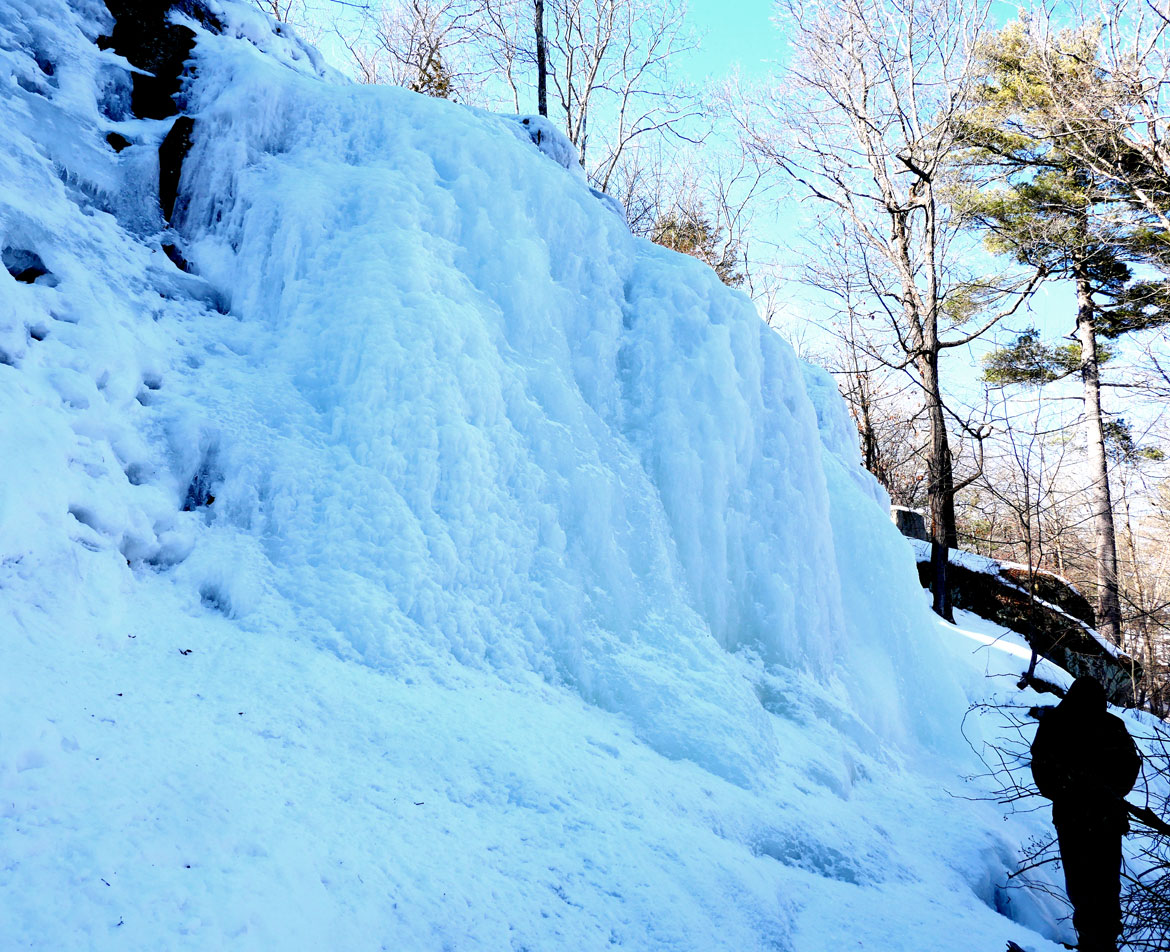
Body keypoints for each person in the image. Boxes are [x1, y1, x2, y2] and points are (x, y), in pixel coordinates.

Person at [1030, 676, 1141, 952]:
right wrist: (1080, 790)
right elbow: (1042, 768)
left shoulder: (1059, 723)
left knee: (1090, 884)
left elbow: (1128, 767)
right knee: (1097, 884)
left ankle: (1098, 942)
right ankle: (1097, 942)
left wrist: (1080, 791)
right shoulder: (1105, 725)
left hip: (1085, 817)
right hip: (1088, 817)